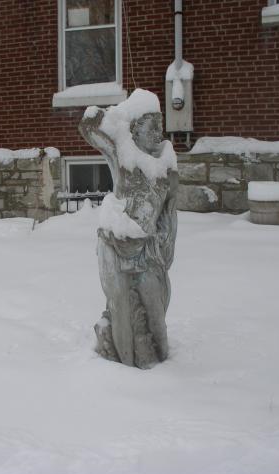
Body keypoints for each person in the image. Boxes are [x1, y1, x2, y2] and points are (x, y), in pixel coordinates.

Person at [79, 90, 178, 368]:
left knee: (155, 310)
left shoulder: (167, 167)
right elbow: (89, 125)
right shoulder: (124, 153)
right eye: (151, 127)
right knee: (120, 306)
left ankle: (159, 356)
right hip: (115, 240)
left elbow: (169, 216)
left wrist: (162, 248)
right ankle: (124, 364)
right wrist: (117, 120)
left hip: (147, 250)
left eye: (160, 126)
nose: (158, 133)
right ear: (135, 130)